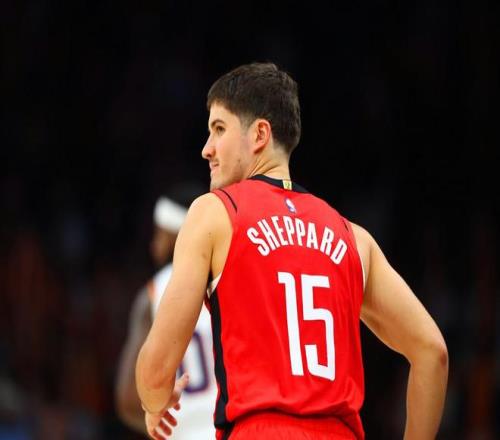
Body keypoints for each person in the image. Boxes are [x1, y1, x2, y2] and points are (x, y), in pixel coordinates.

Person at [136, 63, 449, 440]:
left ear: (259, 134)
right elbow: (432, 352)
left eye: (219, 129)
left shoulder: (214, 213)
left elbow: (156, 371)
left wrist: (153, 403)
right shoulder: (354, 238)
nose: (207, 149)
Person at [116, 190, 216, 439]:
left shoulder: (153, 293)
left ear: (173, 235)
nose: (153, 245)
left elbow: (128, 400)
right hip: (236, 427)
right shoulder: (228, 278)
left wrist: (168, 430)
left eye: (158, 233)